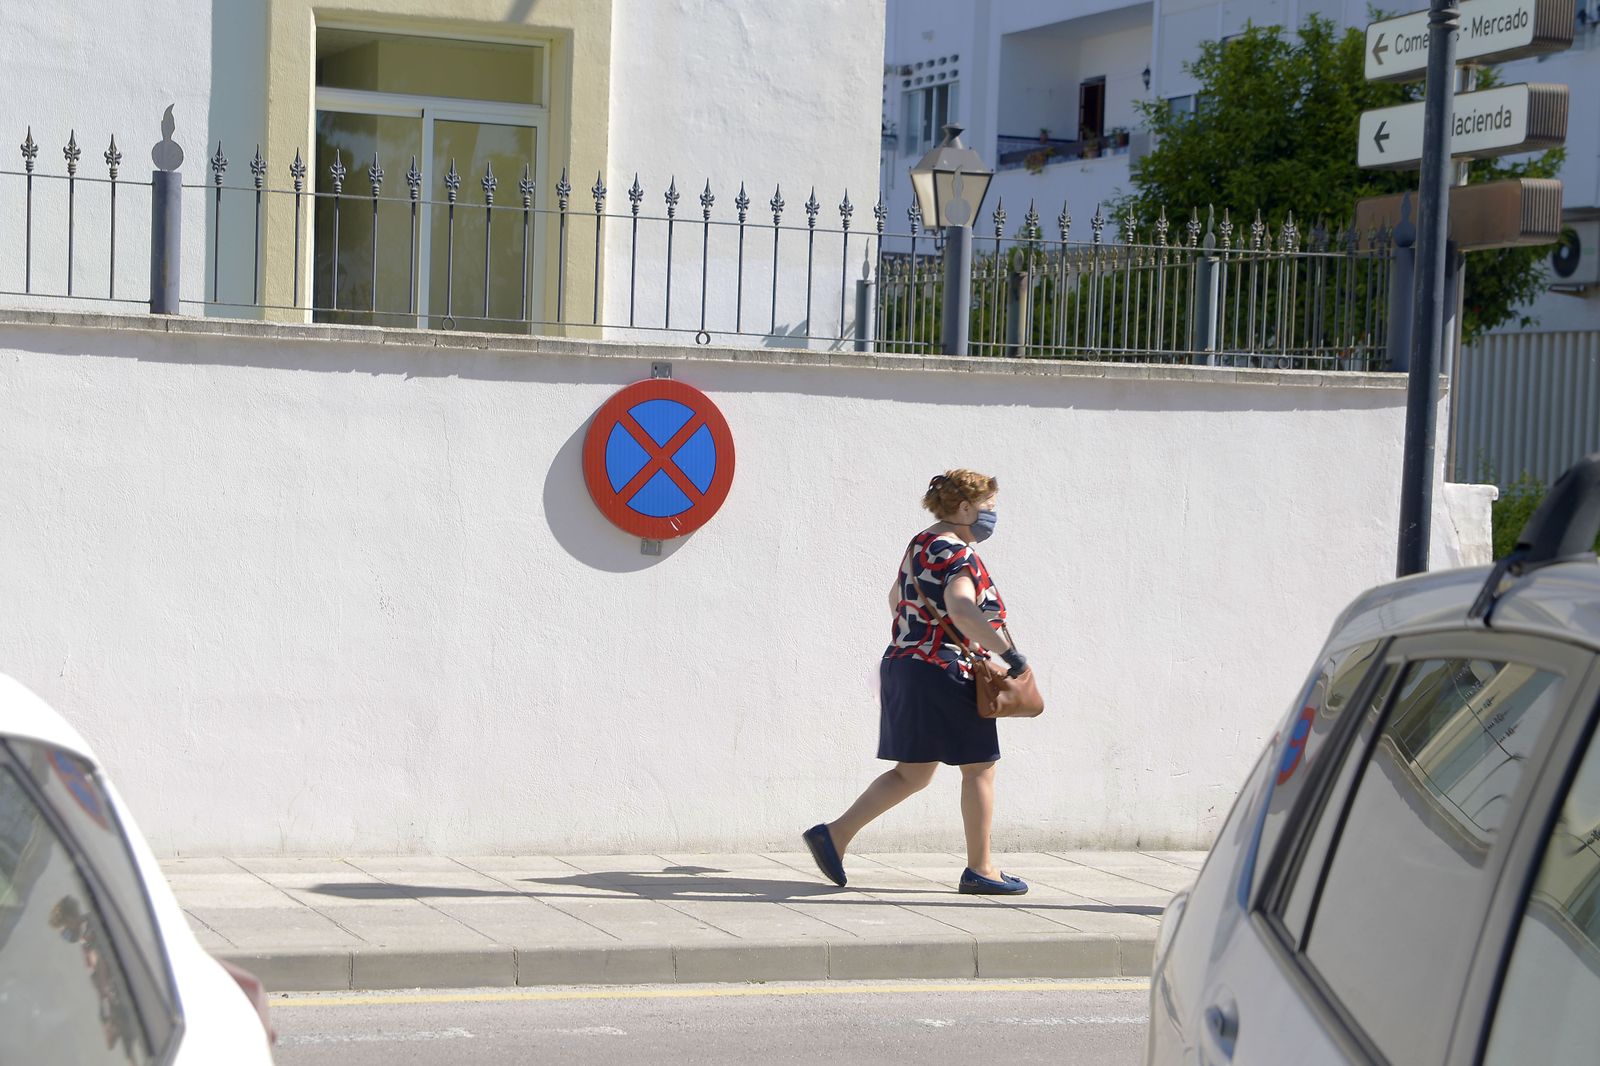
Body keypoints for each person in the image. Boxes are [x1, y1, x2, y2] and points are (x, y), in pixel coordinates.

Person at [804, 469, 1031, 895]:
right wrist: (1007, 653)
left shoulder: (920, 545)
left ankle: (833, 836)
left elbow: (896, 599)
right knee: (980, 767)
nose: (992, 517)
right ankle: (981, 869)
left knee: (913, 772)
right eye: (988, 509)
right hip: (945, 671)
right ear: (964, 508)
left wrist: (922, 633)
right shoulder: (961, 555)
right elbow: (962, 607)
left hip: (906, 665)